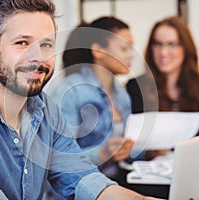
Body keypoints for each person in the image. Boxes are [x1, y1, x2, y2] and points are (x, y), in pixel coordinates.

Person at [0, 0, 162, 200]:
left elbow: (83, 178)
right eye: (22, 43)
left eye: (46, 45)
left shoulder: (45, 109)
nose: (38, 57)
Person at [46, 16, 144, 189]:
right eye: (124, 48)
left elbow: (126, 154)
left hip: (115, 185)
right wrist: (102, 153)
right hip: (77, 190)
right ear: (98, 50)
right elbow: (58, 157)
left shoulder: (121, 93)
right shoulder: (71, 91)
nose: (132, 55)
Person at [126, 16, 199, 160]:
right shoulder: (136, 87)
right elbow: (130, 143)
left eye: (172, 44)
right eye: (157, 44)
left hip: (198, 166)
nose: (163, 53)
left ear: (185, 47)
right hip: (149, 173)